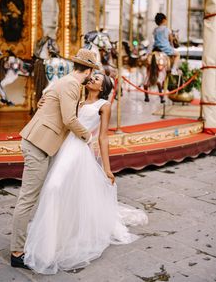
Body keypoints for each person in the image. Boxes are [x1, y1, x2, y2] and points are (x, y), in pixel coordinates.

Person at [23, 72, 148, 274]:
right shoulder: (77, 99)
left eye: (97, 79)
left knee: (54, 187)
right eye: (93, 76)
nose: (92, 79)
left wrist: (107, 168)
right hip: (61, 146)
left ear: (102, 87)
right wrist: (42, 103)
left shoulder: (103, 106)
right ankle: (57, 233)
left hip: (77, 150)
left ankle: (49, 245)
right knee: (62, 190)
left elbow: (103, 138)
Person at [11, 48, 99, 269]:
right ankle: (17, 252)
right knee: (28, 199)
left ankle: (36, 239)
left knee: (42, 194)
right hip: (38, 144)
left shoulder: (67, 82)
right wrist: (88, 137)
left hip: (43, 143)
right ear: (88, 71)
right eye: (92, 72)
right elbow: (69, 119)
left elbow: (48, 98)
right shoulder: (70, 84)